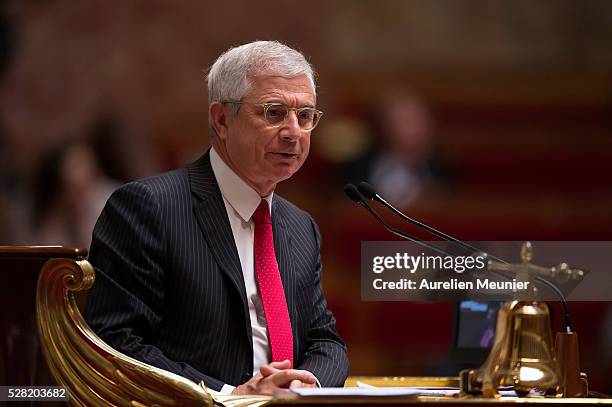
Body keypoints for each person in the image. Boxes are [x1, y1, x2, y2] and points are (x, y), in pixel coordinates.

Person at [84, 41, 349, 395]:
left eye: (304, 116)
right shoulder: (148, 208)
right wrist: (228, 396)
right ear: (222, 119)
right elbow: (115, 343)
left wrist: (305, 382)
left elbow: (325, 341)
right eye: (273, 113)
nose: (293, 132)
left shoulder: (300, 226)